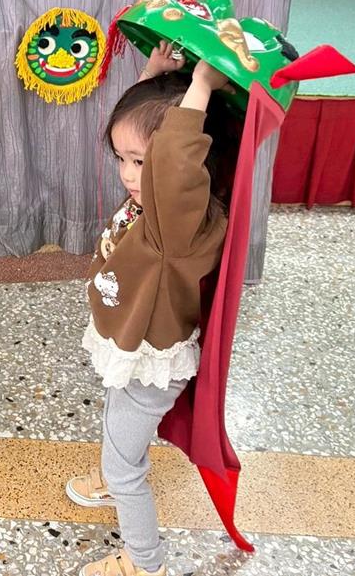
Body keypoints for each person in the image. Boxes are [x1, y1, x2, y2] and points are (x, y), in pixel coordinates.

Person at [67, 41, 232, 576]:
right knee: (117, 422)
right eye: (121, 159)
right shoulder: (153, 201)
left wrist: (201, 86)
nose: (128, 173)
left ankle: (145, 562)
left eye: (140, 163)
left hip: (149, 361)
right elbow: (147, 134)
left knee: (126, 467)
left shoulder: (172, 221)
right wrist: (150, 78)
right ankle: (112, 473)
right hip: (131, 345)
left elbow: (174, 162)